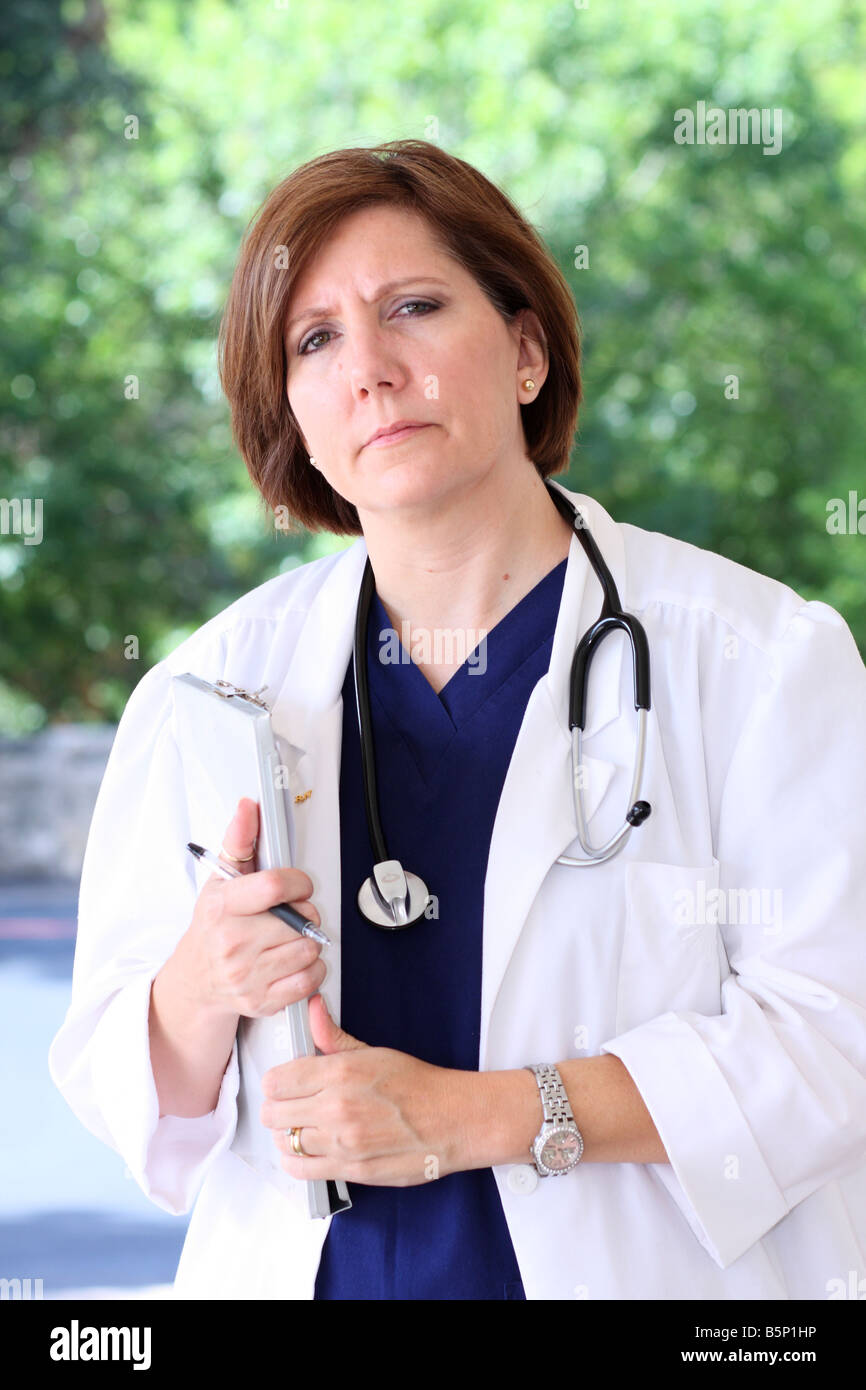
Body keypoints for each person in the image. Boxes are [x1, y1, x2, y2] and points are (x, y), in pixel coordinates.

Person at [49, 139, 866, 1301]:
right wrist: (201, 979)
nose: (369, 369)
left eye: (414, 308)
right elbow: (130, 1088)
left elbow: (836, 1043)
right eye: (314, 339)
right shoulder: (209, 689)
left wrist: (475, 1115)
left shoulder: (756, 660)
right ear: (291, 408)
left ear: (525, 350)